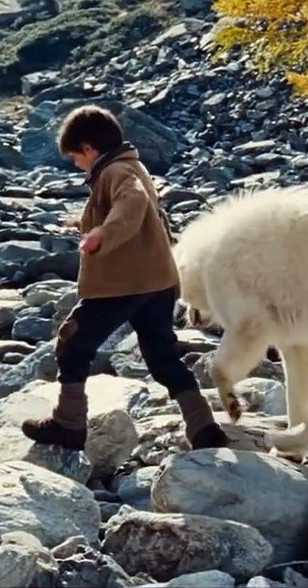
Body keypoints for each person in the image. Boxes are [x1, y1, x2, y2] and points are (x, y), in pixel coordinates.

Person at [21, 105, 230, 451]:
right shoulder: (133, 165)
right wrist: (86, 224)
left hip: (124, 284)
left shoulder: (115, 172)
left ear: (89, 148)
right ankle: (204, 427)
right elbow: (139, 210)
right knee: (163, 357)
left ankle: (68, 423)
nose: (76, 164)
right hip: (158, 282)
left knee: (73, 343)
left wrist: (103, 234)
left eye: (75, 156)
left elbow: (130, 203)